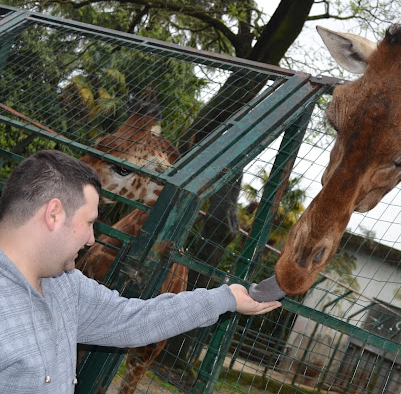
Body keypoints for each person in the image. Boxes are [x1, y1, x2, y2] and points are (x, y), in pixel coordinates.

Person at [0, 150, 281, 394]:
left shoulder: (64, 286)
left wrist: (227, 297)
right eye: (88, 223)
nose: (91, 239)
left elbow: (133, 320)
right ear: (53, 215)